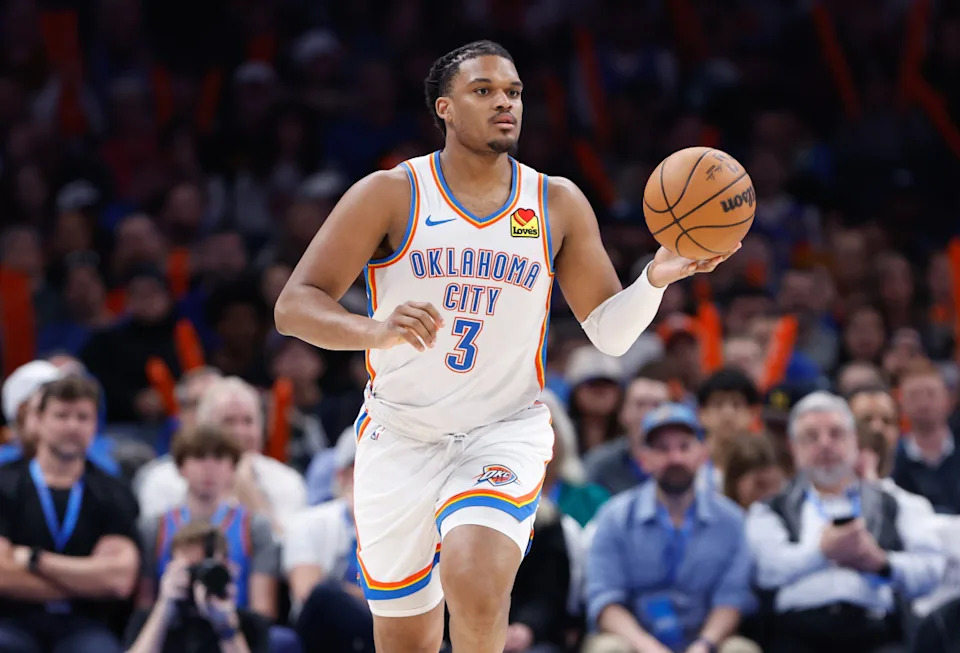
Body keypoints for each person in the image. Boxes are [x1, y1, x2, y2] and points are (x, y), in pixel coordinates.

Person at [274, 40, 738, 653]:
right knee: (405, 639)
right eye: (484, 91)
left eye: (513, 92)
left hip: (502, 430)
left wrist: (654, 278)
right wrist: (374, 329)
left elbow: (608, 331)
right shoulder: (392, 193)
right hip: (400, 435)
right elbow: (293, 307)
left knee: (474, 571)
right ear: (444, 108)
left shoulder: (555, 201)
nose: (505, 104)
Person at [746, 391, 945, 653]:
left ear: (855, 442)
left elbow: (932, 570)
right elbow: (766, 571)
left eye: (836, 434)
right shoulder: (769, 509)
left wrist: (881, 563)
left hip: (875, 630)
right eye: (811, 437)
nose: (825, 444)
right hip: (797, 632)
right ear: (794, 448)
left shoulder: (896, 502)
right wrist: (821, 553)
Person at [584, 403, 760, 653]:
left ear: (702, 454)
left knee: (741, 650)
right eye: (662, 449)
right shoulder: (614, 517)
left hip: (706, 640)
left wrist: (704, 645)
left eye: (684, 446)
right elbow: (605, 601)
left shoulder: (730, 520)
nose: (675, 458)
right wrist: (647, 647)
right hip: (635, 642)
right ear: (644, 459)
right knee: (607, 648)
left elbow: (731, 600)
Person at [0, 375, 141, 652]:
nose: (72, 426)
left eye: (82, 417)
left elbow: (118, 580)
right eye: (62, 415)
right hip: (11, 620)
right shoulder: (4, 484)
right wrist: (85, 581)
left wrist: (36, 561)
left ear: (95, 426)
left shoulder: (113, 492)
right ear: (37, 420)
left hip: (85, 625)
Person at [137, 424, 281, 620]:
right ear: (180, 467)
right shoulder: (154, 528)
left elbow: (262, 610)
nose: (209, 468)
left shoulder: (254, 527)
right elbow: (143, 607)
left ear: (233, 468)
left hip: (235, 628)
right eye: (199, 457)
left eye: (219, 458)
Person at [135, 377, 307, 535]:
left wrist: (246, 487)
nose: (239, 432)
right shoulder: (161, 479)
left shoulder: (286, 480)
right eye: (228, 421)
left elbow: (285, 547)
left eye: (248, 421)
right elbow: (158, 545)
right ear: (203, 426)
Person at [285, 431, 374, 653]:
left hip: (381, 630)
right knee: (326, 594)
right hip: (326, 637)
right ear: (342, 476)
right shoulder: (309, 522)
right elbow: (308, 591)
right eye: (362, 468)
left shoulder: (409, 526)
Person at [124, 521, 270, 653]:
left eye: (206, 571)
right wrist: (163, 610)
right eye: (191, 570)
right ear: (171, 570)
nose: (198, 580)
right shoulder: (147, 620)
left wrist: (227, 630)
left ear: (229, 570)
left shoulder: (250, 625)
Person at [891, 361, 960, 514]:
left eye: (931, 393)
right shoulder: (892, 461)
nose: (923, 403)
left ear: (949, 399)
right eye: (914, 396)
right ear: (901, 403)